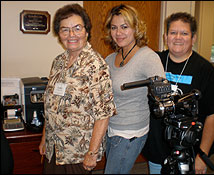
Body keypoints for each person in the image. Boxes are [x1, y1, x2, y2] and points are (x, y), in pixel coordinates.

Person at [142, 12, 214, 174]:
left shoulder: (204, 70)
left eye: (184, 33)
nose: (178, 37)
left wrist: (203, 154)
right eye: (173, 33)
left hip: (190, 152)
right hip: (158, 148)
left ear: (193, 38)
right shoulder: (153, 61)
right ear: (165, 36)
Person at [38, 3, 117, 174]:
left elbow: (103, 114)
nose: (71, 34)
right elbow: (52, 104)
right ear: (59, 34)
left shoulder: (96, 65)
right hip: (54, 148)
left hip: (78, 153)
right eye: (65, 29)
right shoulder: (58, 62)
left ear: (87, 31)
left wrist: (92, 153)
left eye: (77, 28)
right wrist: (45, 138)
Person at [103, 4, 166, 174]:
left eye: (125, 27)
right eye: (114, 27)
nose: (118, 33)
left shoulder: (147, 57)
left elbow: (163, 93)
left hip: (130, 132)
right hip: (111, 128)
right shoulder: (110, 59)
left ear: (136, 28)